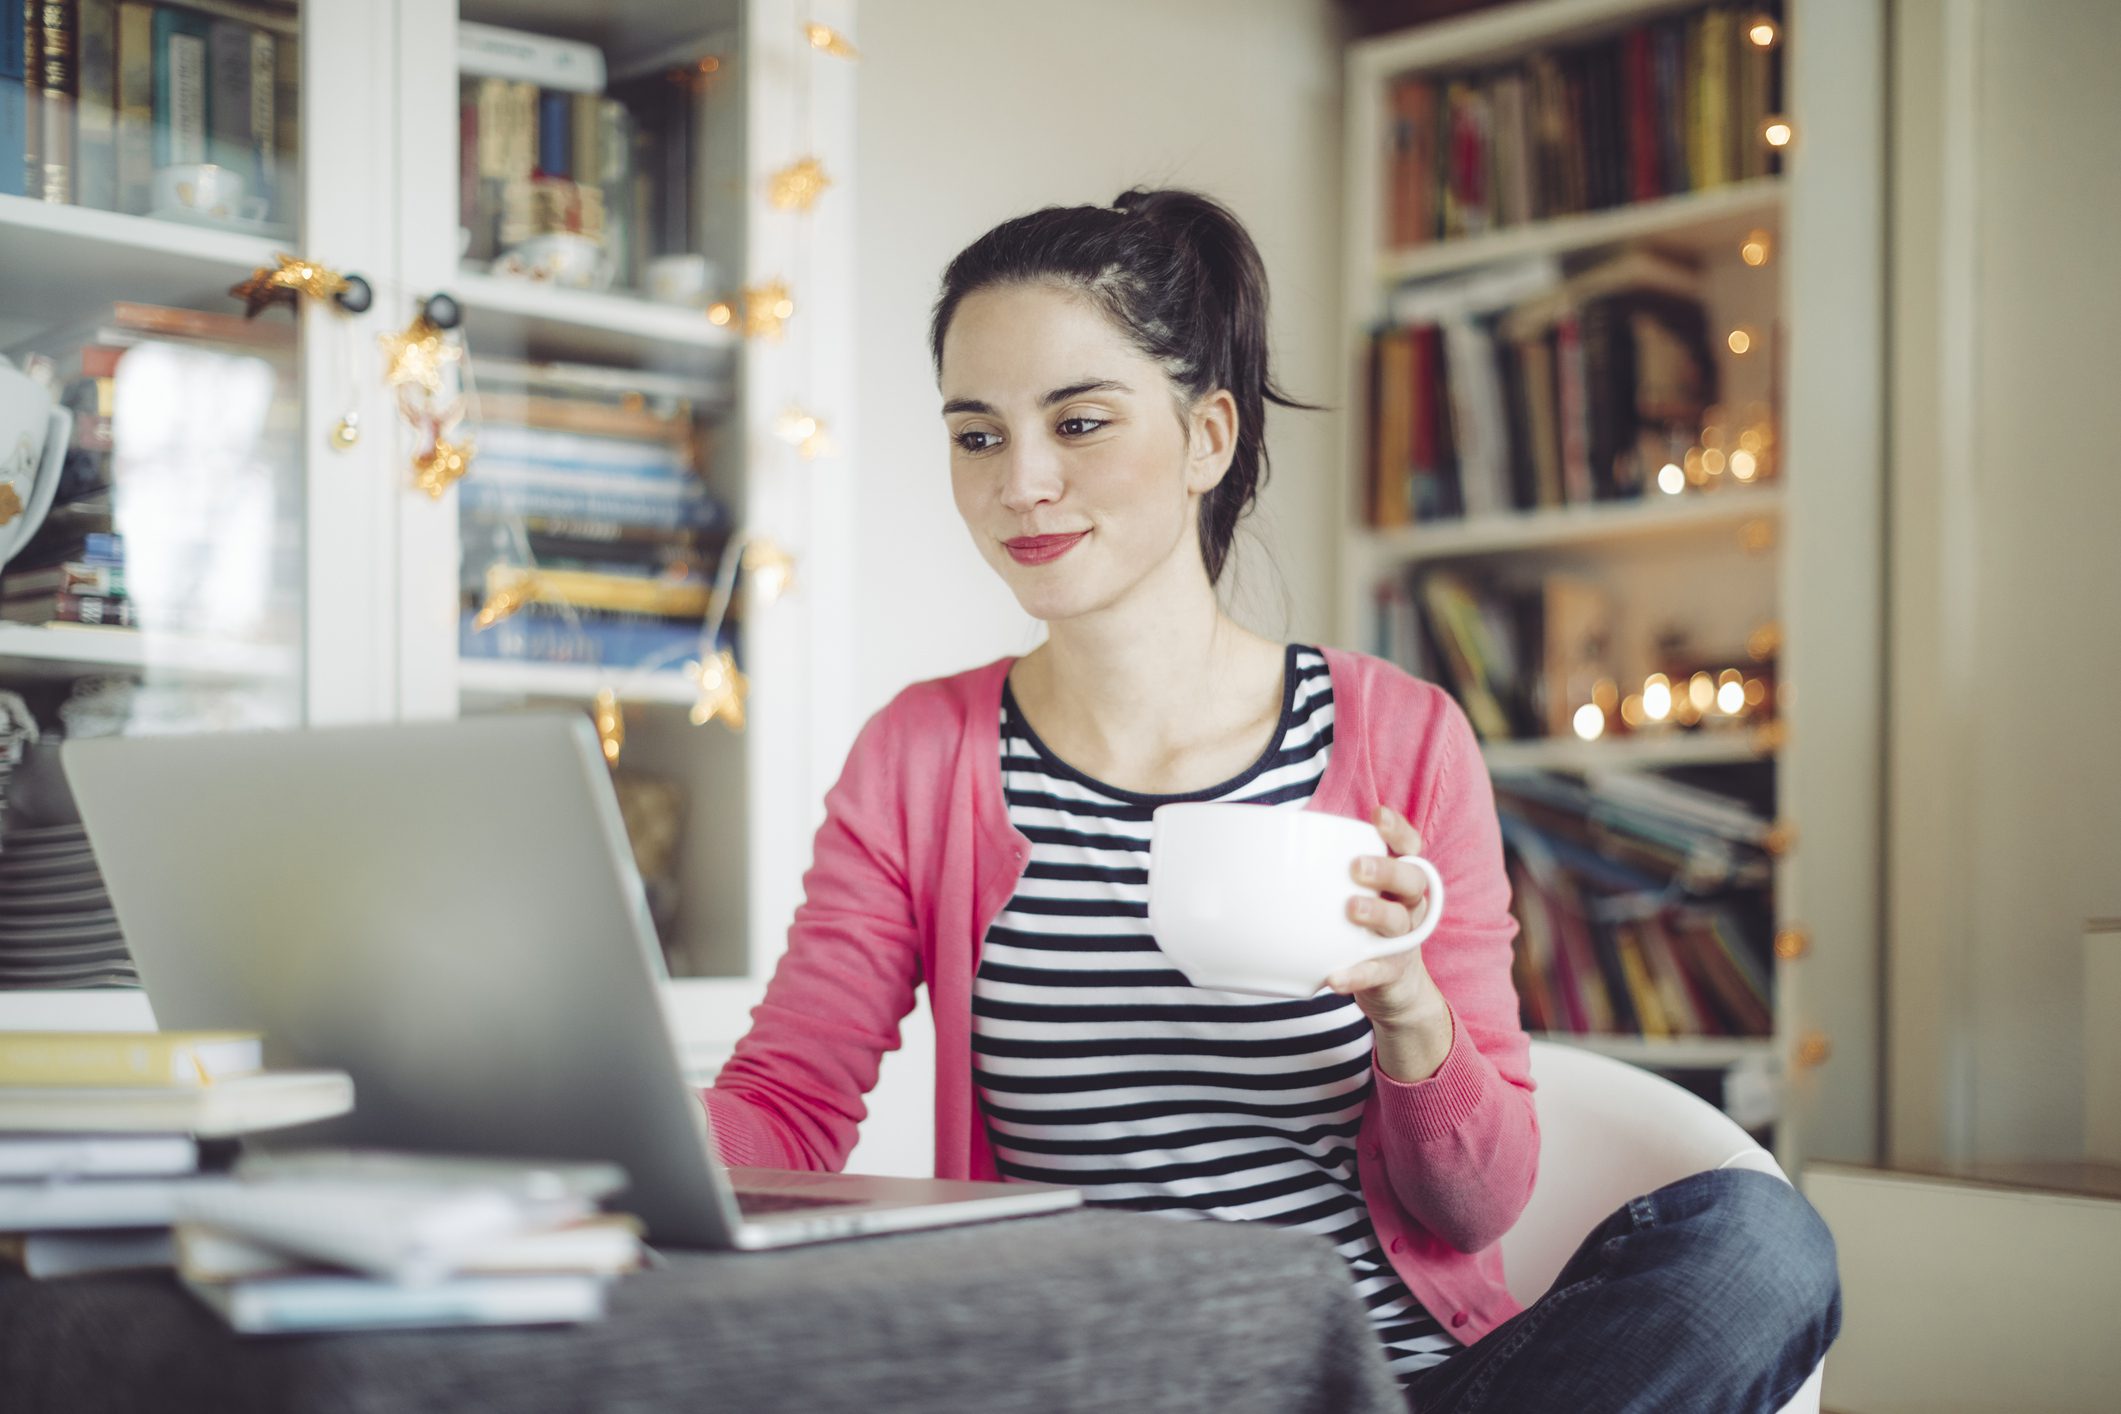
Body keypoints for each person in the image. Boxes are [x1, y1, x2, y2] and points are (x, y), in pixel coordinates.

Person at [702, 186, 1840, 1412]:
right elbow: (791, 1100)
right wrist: (599, 1156)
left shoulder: (1399, 733)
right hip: (1099, 1382)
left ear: (1208, 437)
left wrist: (1406, 1004)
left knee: (1759, 1246)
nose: (1022, 481)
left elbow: (1482, 1201)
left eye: (1079, 422)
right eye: (978, 435)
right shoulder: (921, 753)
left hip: (1404, 1383)